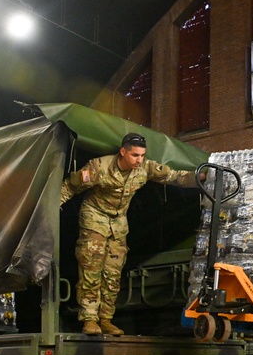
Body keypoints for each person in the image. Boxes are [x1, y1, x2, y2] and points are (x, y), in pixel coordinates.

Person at [60, 133, 194, 335]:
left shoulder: (144, 168)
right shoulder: (99, 167)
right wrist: (53, 205)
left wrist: (200, 178)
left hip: (118, 223)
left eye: (142, 155)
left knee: (113, 273)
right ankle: (89, 319)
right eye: (135, 155)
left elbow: (173, 176)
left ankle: (106, 319)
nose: (139, 160)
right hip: (94, 218)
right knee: (91, 269)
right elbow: (71, 186)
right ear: (123, 152)